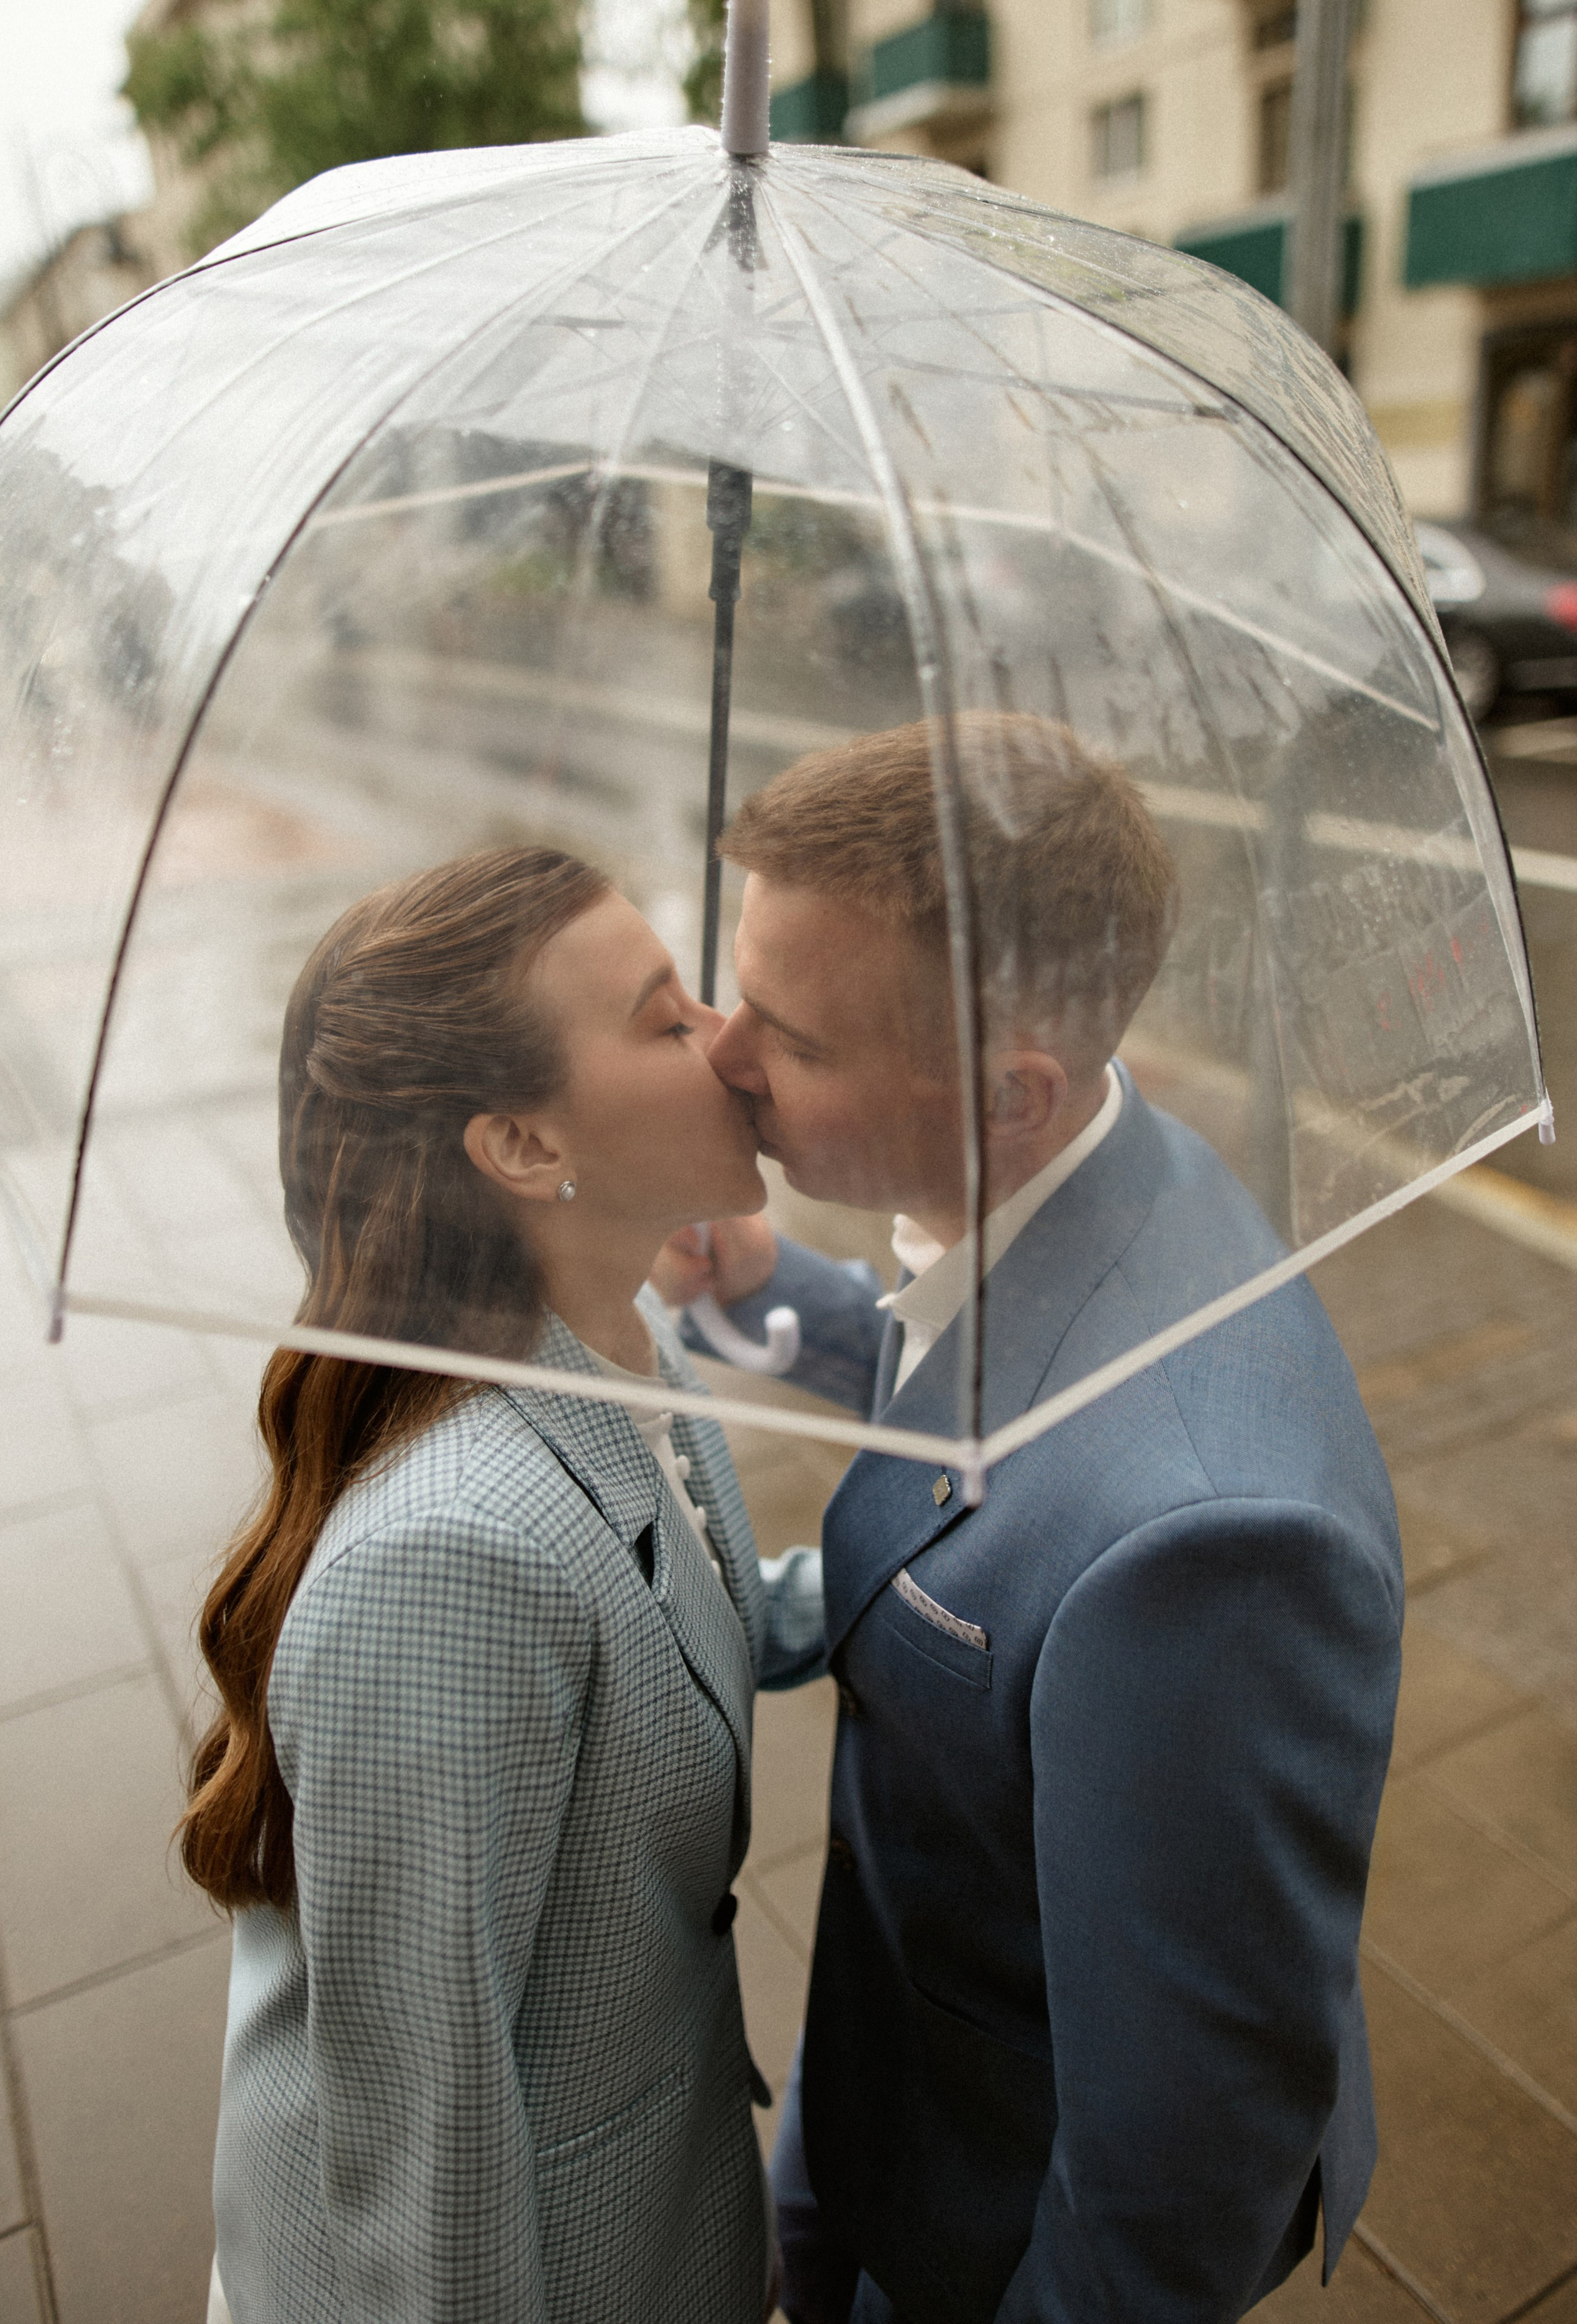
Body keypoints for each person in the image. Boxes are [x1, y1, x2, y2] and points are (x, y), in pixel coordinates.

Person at [656, 716, 1404, 2323]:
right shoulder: (1089, 1169)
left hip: (991, 2213)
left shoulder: (1205, 1563)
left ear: (1010, 1088)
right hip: (886, 2081)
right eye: (735, 987)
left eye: (787, 1034)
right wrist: (776, 1287)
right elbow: (986, 1353)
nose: (718, 1053)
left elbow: (1174, 2184)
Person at [185, 844, 823, 2324]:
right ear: (524, 1151)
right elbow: (426, 2152)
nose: (731, 1041)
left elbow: (683, 1595)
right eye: (665, 1022)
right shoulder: (456, 1558)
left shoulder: (610, 1348)